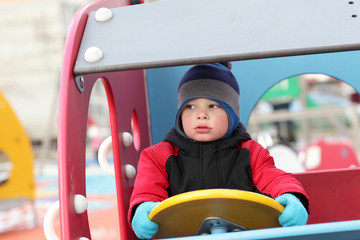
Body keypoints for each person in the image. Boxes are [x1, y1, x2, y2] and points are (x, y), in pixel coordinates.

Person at [128, 63, 309, 239]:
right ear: (180, 114)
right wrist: (143, 208)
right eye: (190, 106)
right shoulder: (157, 157)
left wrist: (292, 197)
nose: (201, 115)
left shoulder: (250, 153)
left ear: (232, 114)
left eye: (213, 106)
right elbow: (147, 191)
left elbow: (275, 179)